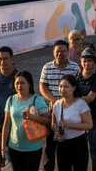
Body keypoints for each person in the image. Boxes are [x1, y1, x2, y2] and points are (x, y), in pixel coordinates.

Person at [39, 40, 81, 171]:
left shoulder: (75, 67)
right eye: (58, 51)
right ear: (53, 52)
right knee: (49, 144)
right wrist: (55, 101)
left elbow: (77, 88)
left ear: (68, 52)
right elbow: (43, 86)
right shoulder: (47, 67)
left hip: (70, 110)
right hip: (51, 110)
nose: (60, 54)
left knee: (67, 142)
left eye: (63, 51)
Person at [2, 71, 51, 171]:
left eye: (22, 83)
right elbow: (6, 124)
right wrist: (3, 145)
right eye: (17, 83)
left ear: (29, 83)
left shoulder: (37, 100)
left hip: (33, 147)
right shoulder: (11, 100)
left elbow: (49, 120)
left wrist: (33, 117)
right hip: (14, 146)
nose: (19, 86)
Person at [52, 75, 93, 171]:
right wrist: (56, 131)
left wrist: (69, 125)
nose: (62, 89)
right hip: (62, 144)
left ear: (73, 88)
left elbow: (89, 124)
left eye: (66, 87)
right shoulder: (57, 104)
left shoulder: (81, 104)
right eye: (61, 86)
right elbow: (53, 123)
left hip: (78, 143)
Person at [75, 49, 96, 171]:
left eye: (89, 61)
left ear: (95, 62)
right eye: (84, 61)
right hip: (78, 117)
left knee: (95, 152)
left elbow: (91, 97)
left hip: (94, 117)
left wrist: (78, 100)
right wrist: (80, 99)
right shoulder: (77, 76)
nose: (86, 63)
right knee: (80, 151)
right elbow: (73, 95)